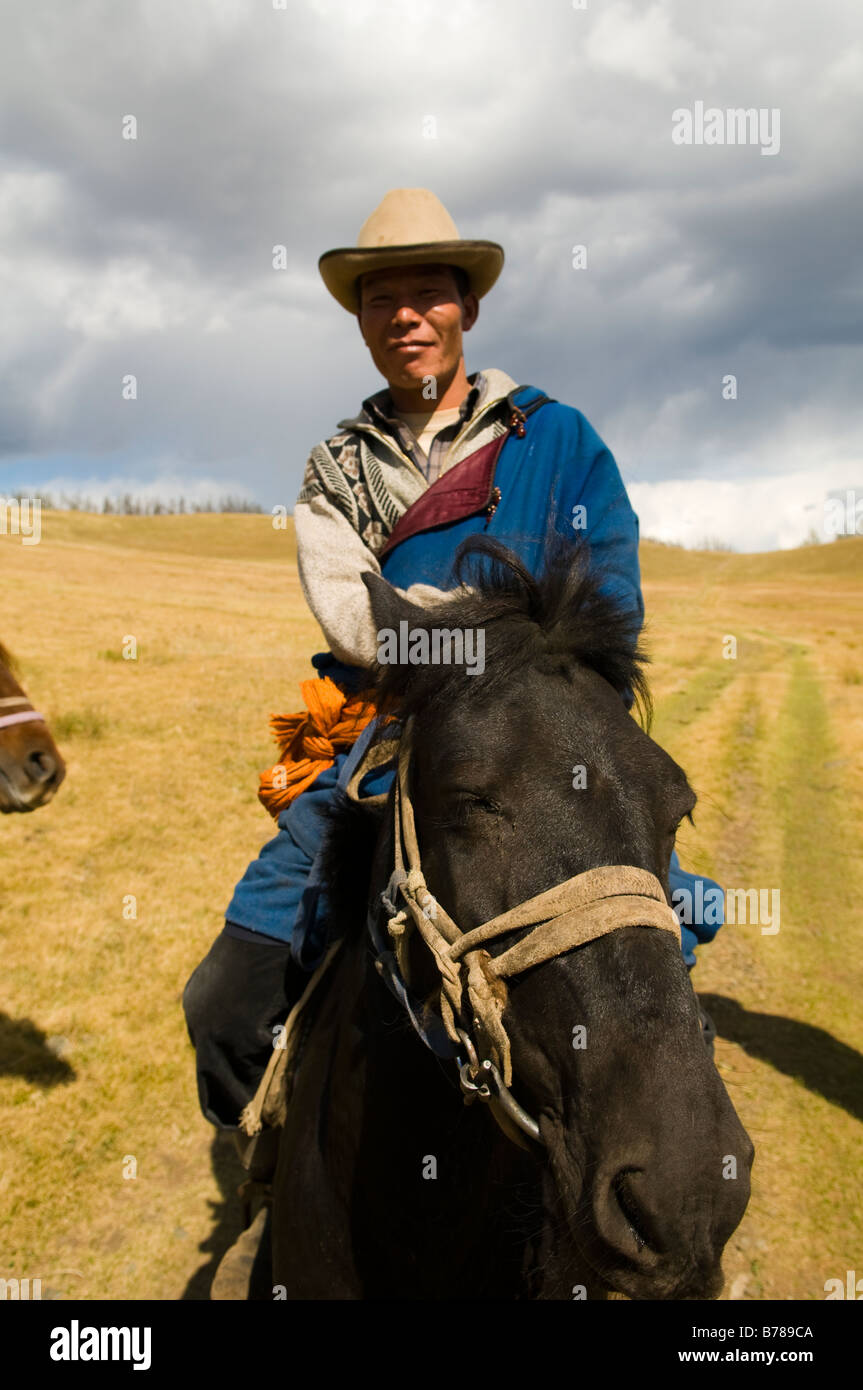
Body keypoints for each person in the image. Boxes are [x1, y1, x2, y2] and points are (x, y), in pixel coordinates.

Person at [183, 187, 721, 1157]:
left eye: (427, 294)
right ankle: (268, 1146)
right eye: (381, 299)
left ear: (465, 308)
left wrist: (453, 638)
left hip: (545, 751)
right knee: (224, 997)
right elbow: (354, 619)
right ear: (358, 319)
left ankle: (661, 1149)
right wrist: (486, 635)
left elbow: (607, 612)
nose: (405, 316)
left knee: (648, 959)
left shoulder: (558, 440)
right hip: (379, 753)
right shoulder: (332, 471)